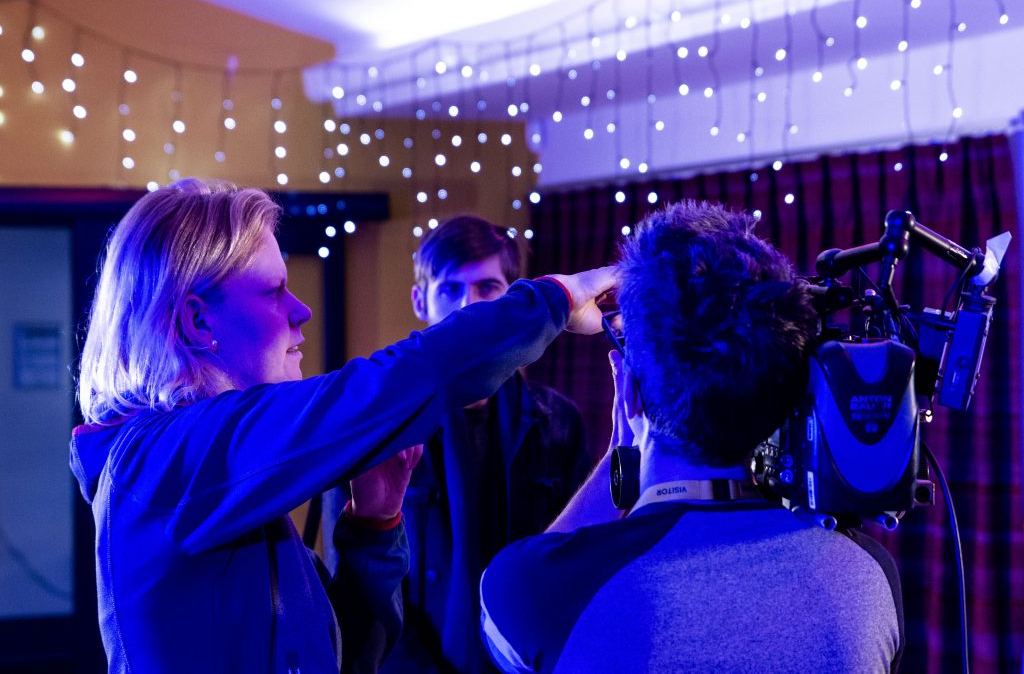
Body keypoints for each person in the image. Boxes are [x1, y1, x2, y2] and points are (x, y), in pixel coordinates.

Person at [70, 178, 615, 673]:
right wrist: (555, 300)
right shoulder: (159, 460)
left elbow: (342, 662)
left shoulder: (205, 471)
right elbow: (388, 384)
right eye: (273, 290)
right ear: (197, 321)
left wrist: (374, 528)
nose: (302, 309)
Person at [479, 200, 905, 673]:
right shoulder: (868, 578)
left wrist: (623, 440)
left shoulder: (532, 591)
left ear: (630, 393)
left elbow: (504, 636)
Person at [373, 216, 592, 674]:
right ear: (420, 301)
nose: (469, 308)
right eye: (450, 290)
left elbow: (576, 562)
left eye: (487, 288)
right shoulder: (380, 426)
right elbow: (366, 594)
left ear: (514, 297)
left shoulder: (559, 423)